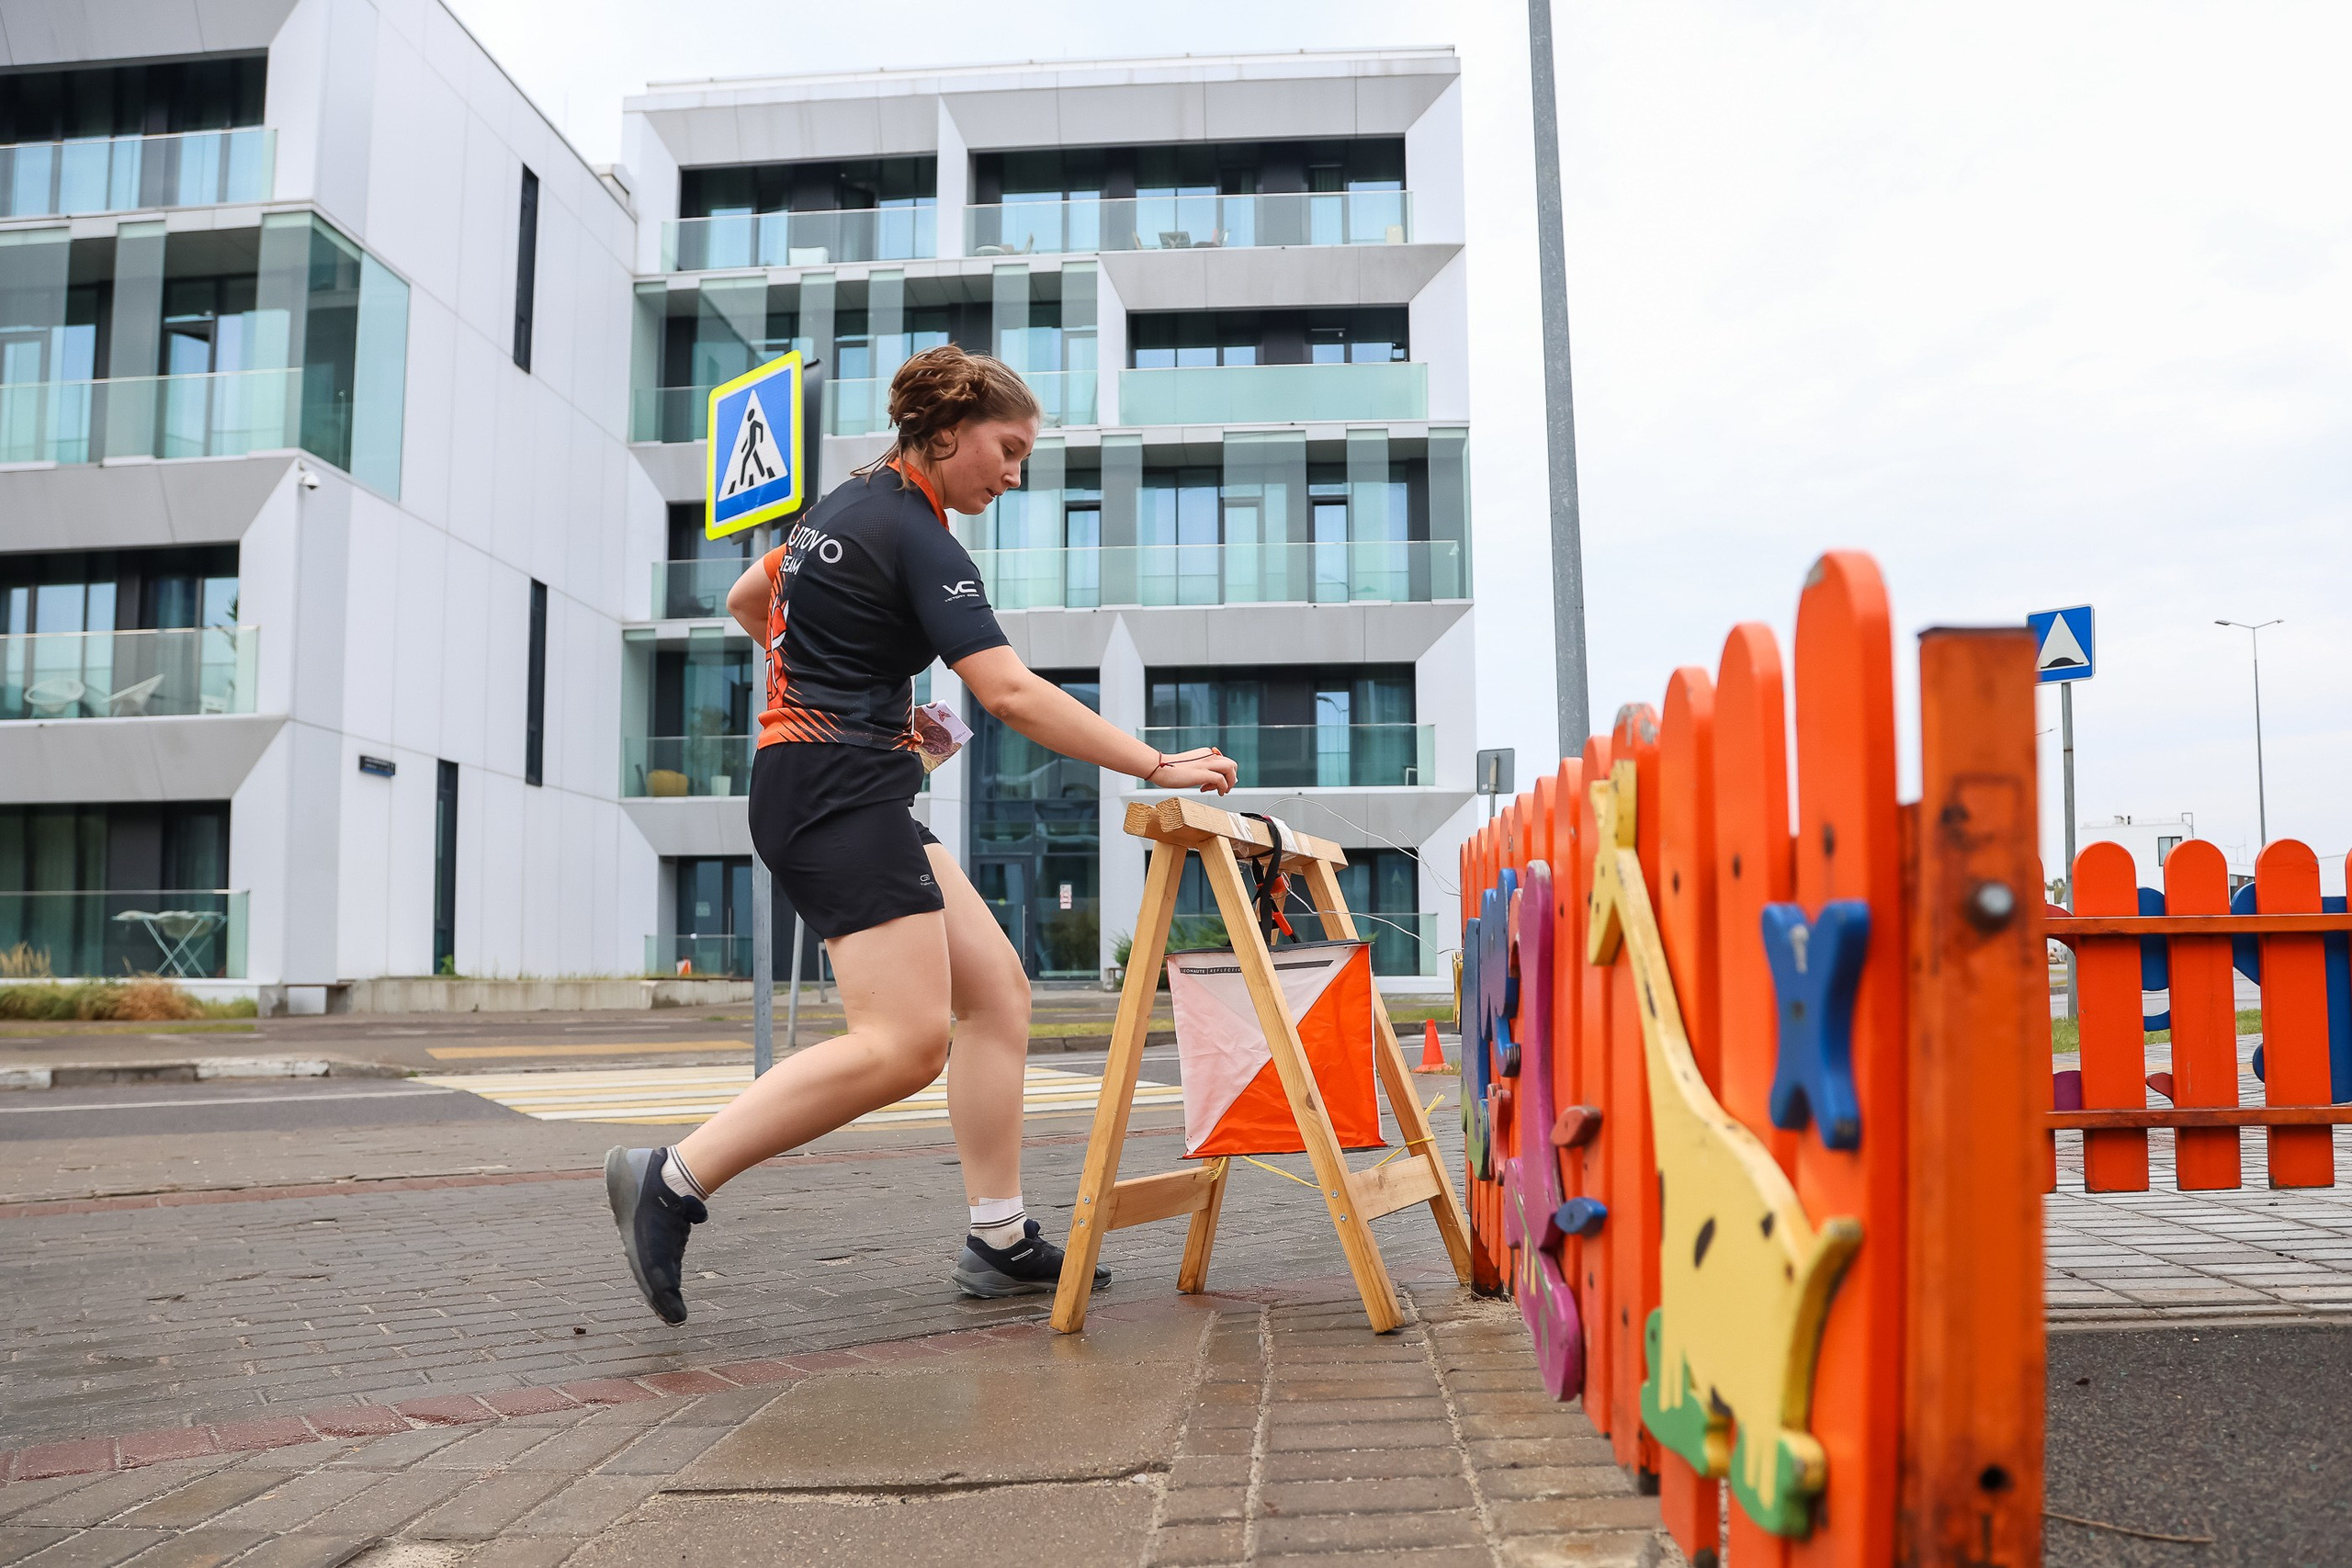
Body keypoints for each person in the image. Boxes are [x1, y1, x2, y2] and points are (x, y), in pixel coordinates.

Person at [606, 344, 1238, 1325]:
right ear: (948, 431)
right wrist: (1157, 765)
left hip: (837, 779)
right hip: (833, 794)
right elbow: (1010, 692)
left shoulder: (843, 505)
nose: (1015, 473)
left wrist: (837, 691)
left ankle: (997, 1237)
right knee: (902, 1045)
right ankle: (672, 1178)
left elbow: (747, 601)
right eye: (1008, 448)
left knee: (997, 996)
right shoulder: (920, 536)